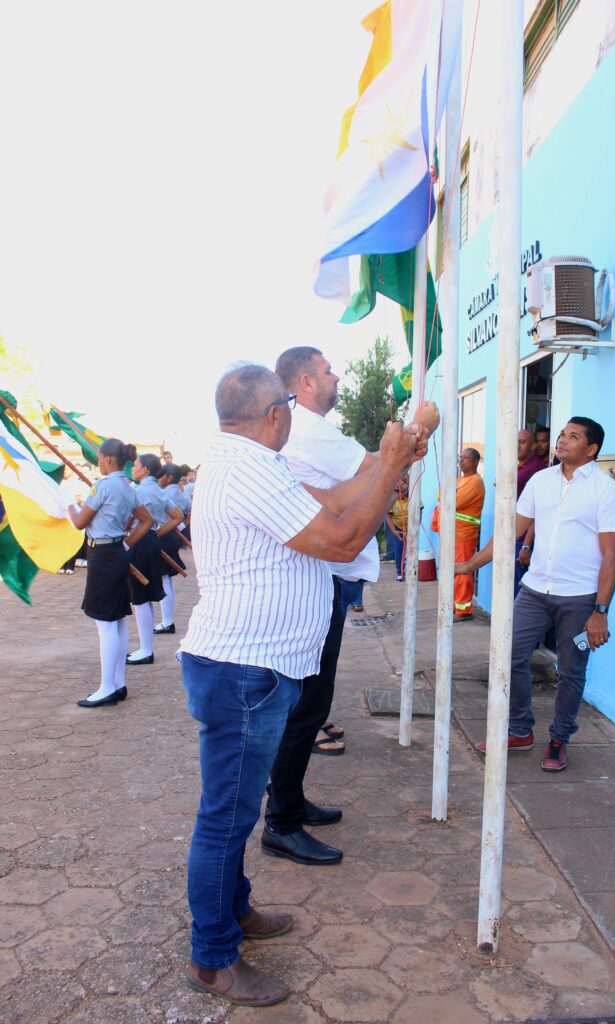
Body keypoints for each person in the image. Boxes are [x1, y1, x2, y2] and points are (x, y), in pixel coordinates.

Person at [180, 363, 424, 1006]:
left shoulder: (249, 461)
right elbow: (343, 541)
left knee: (234, 810)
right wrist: (389, 465)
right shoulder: (248, 468)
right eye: (289, 403)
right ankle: (212, 959)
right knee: (226, 818)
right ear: (275, 413)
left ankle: (234, 911)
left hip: (254, 667)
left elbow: (335, 501)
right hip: (244, 670)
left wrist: (392, 461)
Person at [263, 345, 438, 868]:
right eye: (327, 370)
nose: (336, 376)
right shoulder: (310, 429)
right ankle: (281, 822)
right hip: (322, 577)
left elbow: (376, 470)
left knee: (307, 702)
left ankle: (288, 801)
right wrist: (420, 425)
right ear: (304, 382)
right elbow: (383, 465)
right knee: (307, 704)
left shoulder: (303, 429)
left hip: (320, 577)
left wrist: (405, 445)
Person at [455, 417, 615, 772]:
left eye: (573, 437)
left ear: (592, 449)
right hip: (535, 592)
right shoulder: (540, 481)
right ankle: (520, 729)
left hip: (581, 601)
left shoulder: (607, 491)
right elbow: (510, 532)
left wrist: (600, 611)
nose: (562, 440)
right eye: (562, 434)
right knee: (507, 654)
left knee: (572, 671)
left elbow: (613, 556)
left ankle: (560, 738)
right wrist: (471, 564)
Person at [67, 439, 153, 707]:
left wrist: (68, 506)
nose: (98, 462)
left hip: (103, 555)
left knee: (105, 622)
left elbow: (80, 522)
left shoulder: (103, 486)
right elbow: (147, 520)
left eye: (98, 458)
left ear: (107, 458)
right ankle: (117, 683)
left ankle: (107, 687)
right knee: (116, 619)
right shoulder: (127, 486)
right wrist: (126, 544)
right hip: (116, 551)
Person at [126, 454, 184, 665]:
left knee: (140, 598)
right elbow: (178, 516)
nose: (133, 469)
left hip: (138, 542)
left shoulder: (137, 491)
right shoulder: (159, 491)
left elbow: (128, 521)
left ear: (145, 470)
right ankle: (145, 647)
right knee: (146, 596)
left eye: (135, 466)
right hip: (151, 540)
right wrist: (157, 533)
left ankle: (146, 650)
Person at [431, 448, 485, 621]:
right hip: (452, 533)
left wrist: (447, 495)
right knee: (452, 571)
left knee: (462, 572)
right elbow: (440, 494)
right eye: (460, 457)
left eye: (466, 458)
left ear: (475, 461)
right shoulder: (460, 479)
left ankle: (464, 610)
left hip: (463, 534)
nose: (461, 460)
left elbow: (453, 501)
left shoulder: (475, 481)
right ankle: (455, 606)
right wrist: (446, 495)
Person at [155, 463, 192, 635]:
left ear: (169, 477)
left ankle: (167, 621)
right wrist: (182, 526)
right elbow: (189, 511)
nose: (159, 478)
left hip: (163, 533)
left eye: (161, 475)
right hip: (173, 535)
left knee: (164, 579)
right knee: (166, 579)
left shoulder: (163, 493)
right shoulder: (181, 493)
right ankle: (167, 620)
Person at [515, 429, 547, 595]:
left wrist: (526, 546)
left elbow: (537, 510)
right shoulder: (520, 466)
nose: (517, 446)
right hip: (515, 536)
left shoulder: (537, 469)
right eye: (515, 442)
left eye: (522, 442)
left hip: (524, 539)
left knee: (520, 591)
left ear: (534, 446)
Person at [387, 472, 410, 581]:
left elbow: (419, 512)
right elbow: (387, 514)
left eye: (403, 491)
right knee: (398, 550)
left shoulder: (413, 497)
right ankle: (400, 573)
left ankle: (411, 571)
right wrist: (394, 531)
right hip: (398, 529)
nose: (401, 494)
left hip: (410, 529)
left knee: (410, 550)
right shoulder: (393, 500)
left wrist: (413, 530)